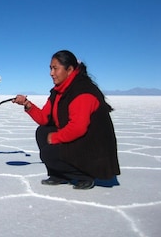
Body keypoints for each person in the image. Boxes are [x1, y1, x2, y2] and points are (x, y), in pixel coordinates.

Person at [13, 50, 120, 190]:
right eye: (50, 68)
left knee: (48, 153)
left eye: (55, 68)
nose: (51, 73)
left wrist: (56, 138)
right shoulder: (58, 91)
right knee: (42, 132)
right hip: (79, 140)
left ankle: (86, 175)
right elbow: (45, 118)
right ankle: (59, 175)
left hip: (93, 147)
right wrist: (27, 104)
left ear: (69, 70)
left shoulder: (82, 91)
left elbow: (78, 128)